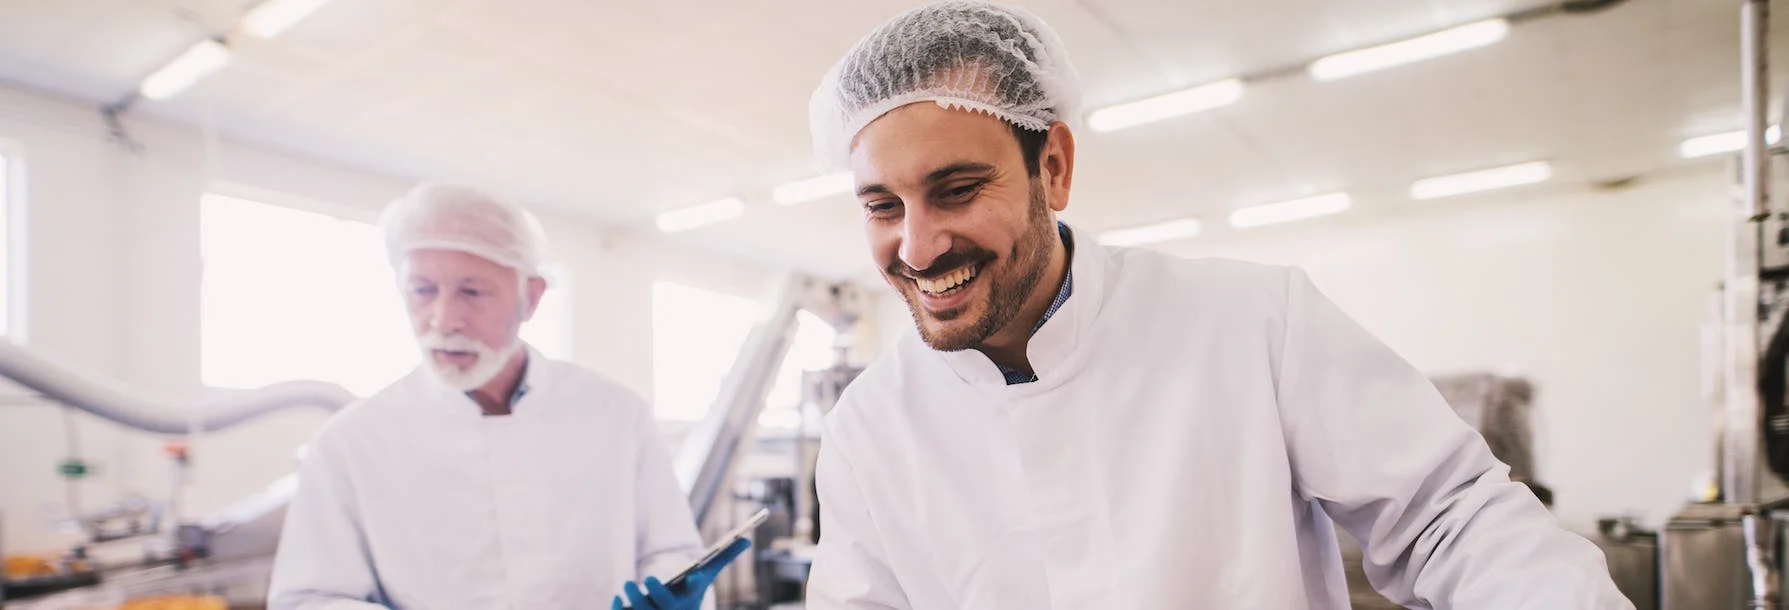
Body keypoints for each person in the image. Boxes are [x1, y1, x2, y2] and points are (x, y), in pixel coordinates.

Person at [800, 2, 1633, 608]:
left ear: (1051, 166)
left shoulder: (1251, 322)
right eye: (882, 206)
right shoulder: (869, 429)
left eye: (956, 189)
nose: (915, 246)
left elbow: (1451, 522)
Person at [266, 183, 745, 610]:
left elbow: (670, 549)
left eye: (472, 292)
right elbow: (308, 597)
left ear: (531, 297)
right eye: (422, 290)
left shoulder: (616, 415)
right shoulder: (352, 442)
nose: (443, 318)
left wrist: (666, 592)